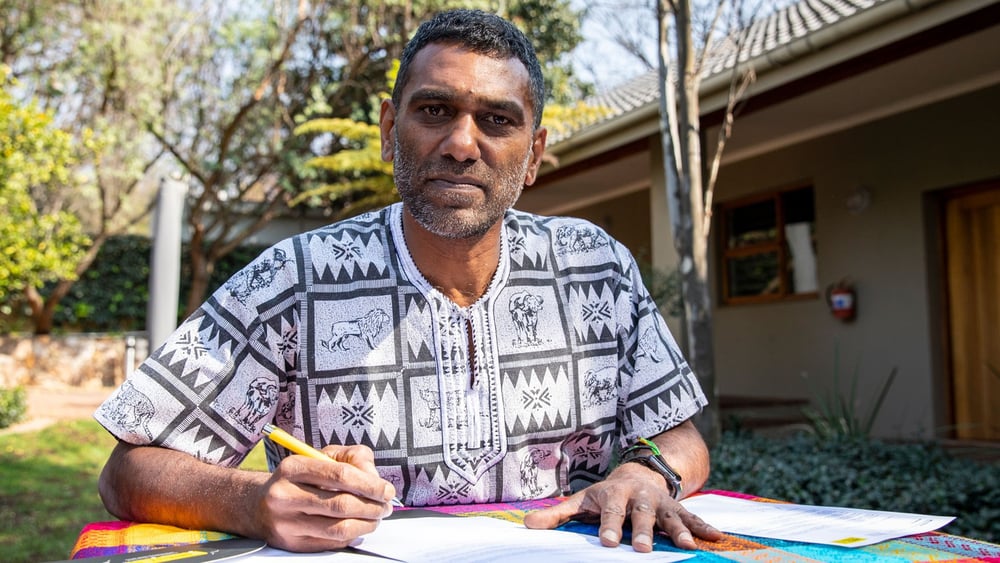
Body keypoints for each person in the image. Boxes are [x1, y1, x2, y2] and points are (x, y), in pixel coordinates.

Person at [95, 8, 722, 555]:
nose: (460, 144)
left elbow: (681, 435)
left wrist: (648, 473)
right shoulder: (292, 280)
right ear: (390, 130)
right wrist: (252, 500)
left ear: (533, 155)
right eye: (434, 110)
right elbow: (125, 471)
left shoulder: (595, 268)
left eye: (497, 121)